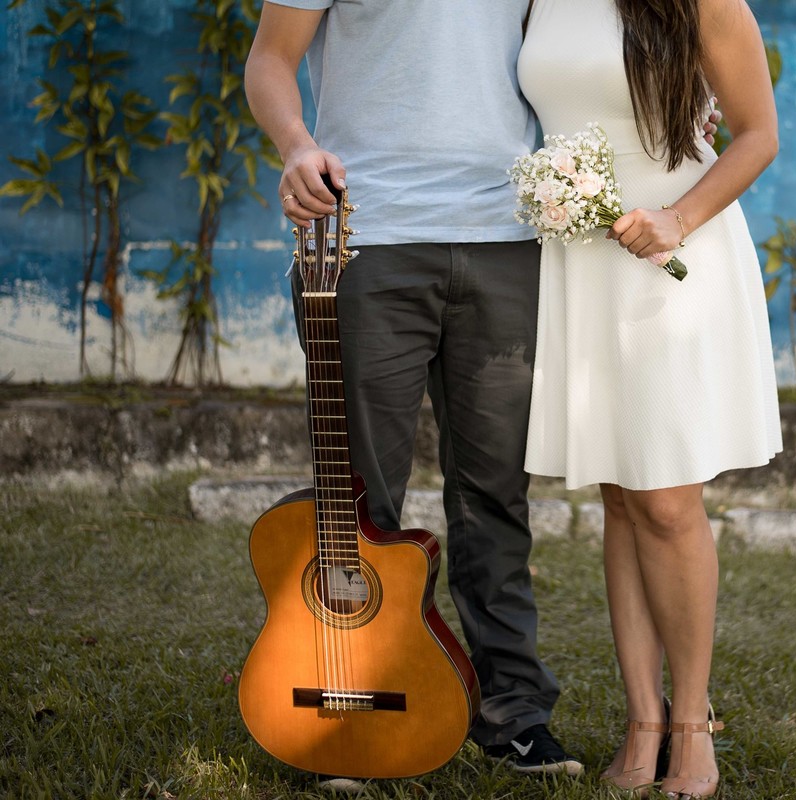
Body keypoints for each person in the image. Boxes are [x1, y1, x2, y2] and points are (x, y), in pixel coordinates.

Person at [243, 0, 581, 778]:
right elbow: (268, 61)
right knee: (356, 500)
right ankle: (349, 699)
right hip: (365, 234)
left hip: (509, 239)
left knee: (495, 494)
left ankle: (514, 713)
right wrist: (296, 146)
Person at [518, 0, 782, 798]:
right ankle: (644, 720)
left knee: (667, 501)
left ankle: (693, 724)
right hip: (582, 256)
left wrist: (675, 218)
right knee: (624, 498)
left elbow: (758, 132)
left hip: (676, 247)